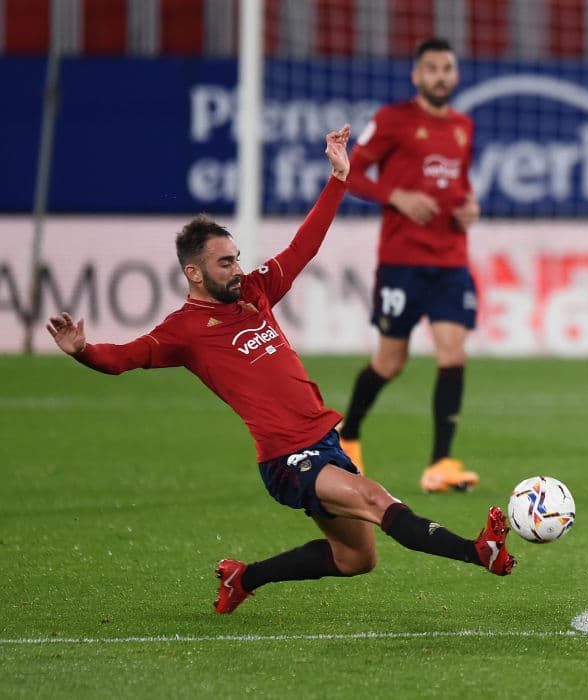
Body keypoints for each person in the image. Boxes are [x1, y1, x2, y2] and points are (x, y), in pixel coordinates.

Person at [45, 126, 514, 616]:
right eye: (224, 263)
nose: (237, 269)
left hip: (323, 441)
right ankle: (478, 551)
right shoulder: (183, 331)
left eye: (236, 259)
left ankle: (243, 578)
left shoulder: (255, 292)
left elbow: (303, 246)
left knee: (356, 559)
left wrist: (338, 179)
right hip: (287, 457)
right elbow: (125, 358)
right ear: (194, 273)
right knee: (377, 500)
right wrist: (83, 351)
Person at [340, 37, 481, 493]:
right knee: (390, 361)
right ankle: (348, 435)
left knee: (453, 354)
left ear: (455, 75)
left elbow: (460, 183)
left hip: (450, 259)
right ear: (416, 75)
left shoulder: (463, 126)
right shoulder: (392, 120)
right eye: (432, 69)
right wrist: (395, 196)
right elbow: (350, 171)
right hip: (402, 261)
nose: (440, 77)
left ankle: (441, 464)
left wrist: (470, 206)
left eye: (447, 68)